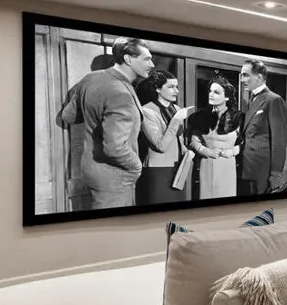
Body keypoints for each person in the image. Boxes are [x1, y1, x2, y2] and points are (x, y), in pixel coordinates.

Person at [59, 37, 153, 209]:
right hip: (115, 176)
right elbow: (115, 148)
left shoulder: (91, 78)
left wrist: (94, 114)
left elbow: (68, 116)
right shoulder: (121, 93)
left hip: (91, 170)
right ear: (128, 59)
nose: (152, 64)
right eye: (146, 59)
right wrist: (136, 167)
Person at [136, 69, 193, 204]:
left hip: (179, 167)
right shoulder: (147, 111)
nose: (176, 91)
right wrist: (176, 119)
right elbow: (161, 146)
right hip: (159, 170)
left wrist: (187, 151)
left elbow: (177, 139)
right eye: (171, 87)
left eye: (176, 87)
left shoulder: (176, 109)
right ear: (157, 88)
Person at [238, 59, 287, 195]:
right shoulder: (252, 99)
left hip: (263, 172)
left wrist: (275, 175)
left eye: (246, 75)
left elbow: (280, 141)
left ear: (259, 77)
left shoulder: (273, 100)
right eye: (242, 75)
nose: (242, 80)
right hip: (249, 168)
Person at [187, 76, 241, 199]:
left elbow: (247, 143)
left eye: (216, 92)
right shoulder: (201, 117)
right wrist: (207, 151)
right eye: (210, 91)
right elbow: (194, 141)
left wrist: (232, 151)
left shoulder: (237, 118)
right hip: (206, 164)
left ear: (227, 97)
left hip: (227, 166)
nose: (211, 95)